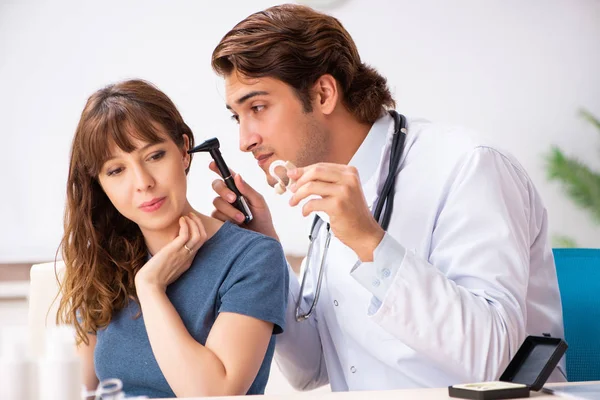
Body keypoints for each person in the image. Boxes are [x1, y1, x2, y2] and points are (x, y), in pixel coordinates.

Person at [208, 3, 566, 392]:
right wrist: (267, 251)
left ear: (324, 93)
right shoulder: (327, 195)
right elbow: (310, 370)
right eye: (236, 116)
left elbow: (492, 358)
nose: (245, 140)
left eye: (257, 107)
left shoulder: (469, 166)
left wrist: (369, 241)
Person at [56, 79, 289, 398]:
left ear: (183, 152)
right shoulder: (103, 260)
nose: (143, 183)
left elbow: (215, 393)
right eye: (116, 170)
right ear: (99, 184)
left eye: (154, 156)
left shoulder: (253, 257)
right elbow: (78, 390)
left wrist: (150, 289)